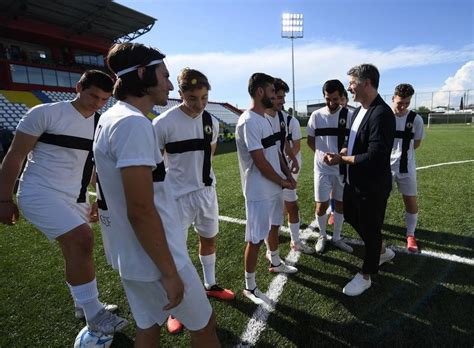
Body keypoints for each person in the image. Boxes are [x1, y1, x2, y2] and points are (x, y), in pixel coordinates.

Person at [94, 43, 220, 346]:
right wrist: (169, 271)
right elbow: (140, 209)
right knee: (205, 325)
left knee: (148, 327)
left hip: (131, 254)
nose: (167, 83)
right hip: (154, 258)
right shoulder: (133, 124)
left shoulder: (112, 118)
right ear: (142, 74)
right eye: (163, 75)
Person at [0, 70, 127, 334]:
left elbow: (96, 168)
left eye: (104, 99)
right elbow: (15, 155)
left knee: (77, 250)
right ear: (79, 87)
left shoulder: (100, 124)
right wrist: (3, 198)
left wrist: (99, 199)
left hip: (77, 198)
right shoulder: (44, 113)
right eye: (93, 95)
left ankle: (84, 305)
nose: (97, 103)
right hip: (39, 193)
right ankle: (94, 314)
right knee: (82, 240)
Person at [153, 68, 235, 334]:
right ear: (180, 95)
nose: (199, 104)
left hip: (205, 193)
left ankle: (210, 284)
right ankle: (176, 306)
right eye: (192, 98)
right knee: (175, 251)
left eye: (203, 97)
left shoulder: (212, 120)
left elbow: (206, 157)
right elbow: (155, 163)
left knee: (209, 239)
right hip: (175, 197)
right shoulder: (162, 123)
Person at [324, 64, 396, 296]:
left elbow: (376, 156)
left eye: (352, 83)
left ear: (366, 83)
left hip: (373, 185)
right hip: (354, 182)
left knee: (372, 229)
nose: (349, 87)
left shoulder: (382, 113)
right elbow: (352, 142)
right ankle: (381, 251)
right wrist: (341, 153)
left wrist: (343, 160)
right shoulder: (357, 110)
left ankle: (366, 275)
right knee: (352, 216)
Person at [236, 73, 297, 305]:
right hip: (258, 191)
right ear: (260, 92)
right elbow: (260, 162)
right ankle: (250, 286)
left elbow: (278, 151)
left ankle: (275, 261)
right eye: (272, 91)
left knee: (274, 225)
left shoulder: (267, 119)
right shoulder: (248, 121)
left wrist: (287, 175)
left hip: (274, 186)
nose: (275, 96)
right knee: (255, 239)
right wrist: (282, 181)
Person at [266, 78, 313, 254]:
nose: (282, 101)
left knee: (292, 207)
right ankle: (271, 250)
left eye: (283, 97)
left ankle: (295, 241)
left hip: (285, 172)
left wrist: (291, 161)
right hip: (268, 174)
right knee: (272, 213)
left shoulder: (288, 120)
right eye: (278, 97)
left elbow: (292, 145)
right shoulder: (260, 119)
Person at [307, 80, 353, 254]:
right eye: (328, 99)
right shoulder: (316, 116)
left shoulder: (349, 116)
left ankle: (337, 237)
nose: (331, 103)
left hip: (342, 168)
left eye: (335, 99)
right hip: (322, 169)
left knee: (340, 205)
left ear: (342, 97)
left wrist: (339, 156)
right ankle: (322, 236)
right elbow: (311, 141)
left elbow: (352, 142)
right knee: (321, 206)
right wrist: (322, 155)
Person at [390, 83, 424, 252]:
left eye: (407, 103)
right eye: (399, 103)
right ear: (393, 99)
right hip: (384, 167)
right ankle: (376, 229)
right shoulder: (384, 116)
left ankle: (410, 234)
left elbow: (416, 143)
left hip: (406, 166)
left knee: (410, 199)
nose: (403, 106)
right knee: (379, 199)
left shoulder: (416, 119)